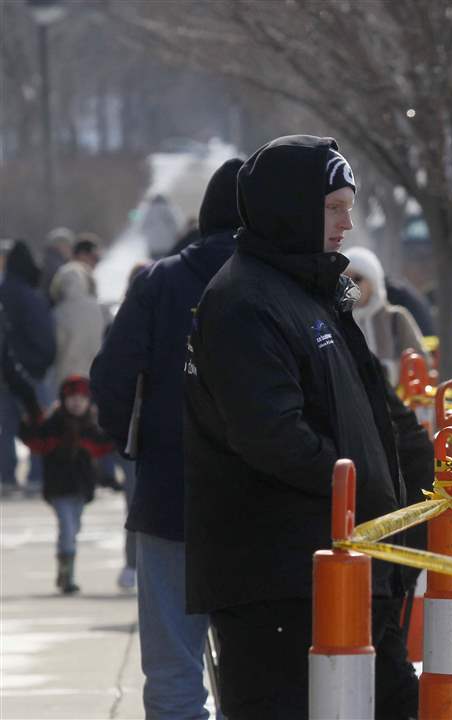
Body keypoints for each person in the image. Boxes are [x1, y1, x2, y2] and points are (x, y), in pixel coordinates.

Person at [184, 136, 430, 719]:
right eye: (334, 208)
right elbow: (271, 436)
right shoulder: (243, 301)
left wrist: (421, 478)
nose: (348, 223)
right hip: (281, 582)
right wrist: (359, 490)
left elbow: (375, 404)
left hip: (351, 566)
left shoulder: (312, 290)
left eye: (349, 205)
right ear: (291, 209)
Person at [92, 158, 245, 720]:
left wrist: (133, 450)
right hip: (262, 506)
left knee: (174, 678)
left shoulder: (158, 282)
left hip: (169, 497)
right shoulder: (291, 281)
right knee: (256, 672)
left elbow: (111, 377)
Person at [19, 376, 113, 593]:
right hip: (58, 489)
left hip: (81, 490)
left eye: (81, 398)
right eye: (71, 398)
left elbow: (103, 446)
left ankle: (64, 565)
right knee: (68, 528)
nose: (76, 402)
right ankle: (67, 575)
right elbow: (36, 441)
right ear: (63, 400)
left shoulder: (91, 426)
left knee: (74, 528)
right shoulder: (54, 424)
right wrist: (28, 424)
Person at [0, 240, 56, 496]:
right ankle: (35, 477)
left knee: (6, 428)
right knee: (36, 422)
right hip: (31, 373)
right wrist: (40, 364)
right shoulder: (31, 296)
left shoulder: (4, 291)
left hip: (5, 373)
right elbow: (45, 337)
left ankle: (6, 478)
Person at [342, 246, 431, 386]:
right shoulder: (335, 321)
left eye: (357, 278)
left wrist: (388, 370)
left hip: (393, 404)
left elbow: (422, 363)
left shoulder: (396, 318)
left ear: (373, 282)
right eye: (345, 279)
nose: (350, 285)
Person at [50, 253, 105, 383]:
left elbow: (56, 346)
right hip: (91, 374)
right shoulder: (97, 308)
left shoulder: (58, 312)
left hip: (66, 376)